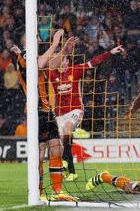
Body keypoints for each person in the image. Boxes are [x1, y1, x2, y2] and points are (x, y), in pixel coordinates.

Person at [10, 30, 78, 202]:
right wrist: (55, 44)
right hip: (36, 111)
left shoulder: (35, 56)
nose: (38, 38)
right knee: (40, 152)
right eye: (34, 36)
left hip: (47, 111)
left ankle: (57, 191)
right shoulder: (25, 54)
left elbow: (51, 65)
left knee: (56, 147)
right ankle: (38, 192)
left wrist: (64, 51)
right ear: (27, 40)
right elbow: (41, 65)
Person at [48, 44, 124, 182]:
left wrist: (110, 52)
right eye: (57, 60)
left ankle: (65, 162)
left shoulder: (75, 70)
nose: (60, 63)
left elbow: (93, 62)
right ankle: (71, 172)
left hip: (75, 109)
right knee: (62, 143)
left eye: (62, 60)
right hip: (59, 113)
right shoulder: (52, 74)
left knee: (67, 129)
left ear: (67, 61)